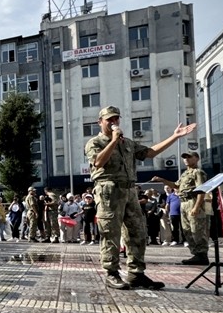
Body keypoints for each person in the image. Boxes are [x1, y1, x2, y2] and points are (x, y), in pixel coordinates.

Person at [85, 105, 196, 289]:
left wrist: (175, 136)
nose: (114, 122)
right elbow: (98, 162)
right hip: (109, 192)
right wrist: (113, 140)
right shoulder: (95, 142)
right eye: (109, 119)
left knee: (138, 232)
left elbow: (150, 152)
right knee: (110, 233)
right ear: (100, 122)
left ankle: (136, 273)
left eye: (116, 119)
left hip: (130, 191)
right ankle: (111, 273)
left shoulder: (127, 143)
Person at [153, 151, 209, 264]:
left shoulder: (198, 172)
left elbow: (201, 191)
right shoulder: (185, 174)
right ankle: (196, 254)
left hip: (192, 201)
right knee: (187, 230)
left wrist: (196, 207)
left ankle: (202, 254)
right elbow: (176, 185)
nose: (186, 159)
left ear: (196, 158)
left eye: (189, 157)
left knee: (196, 229)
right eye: (184, 157)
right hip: (183, 202)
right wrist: (162, 180)